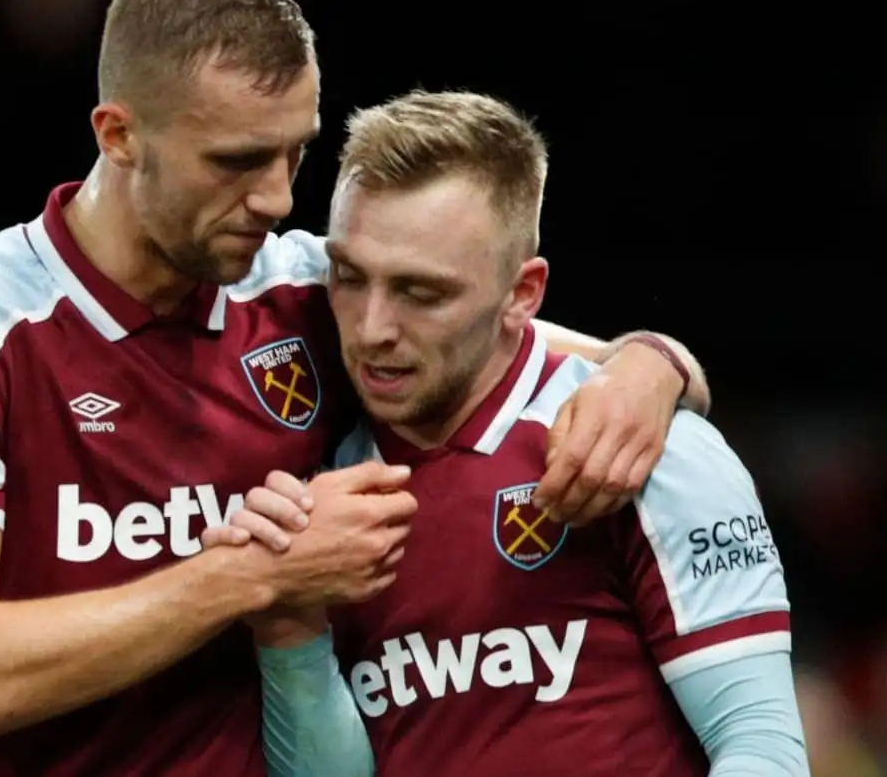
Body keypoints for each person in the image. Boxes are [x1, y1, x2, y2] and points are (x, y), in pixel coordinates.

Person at [0, 0, 713, 776]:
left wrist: (654, 365)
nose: (276, 197)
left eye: (294, 151)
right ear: (118, 135)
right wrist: (245, 577)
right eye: (235, 160)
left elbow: (564, 359)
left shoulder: (311, 290)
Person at [212, 91, 806, 776]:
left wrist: (657, 361)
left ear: (522, 295)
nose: (373, 327)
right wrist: (291, 636)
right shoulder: (326, 496)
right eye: (349, 277)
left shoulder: (643, 450)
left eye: (421, 292)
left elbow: (762, 751)